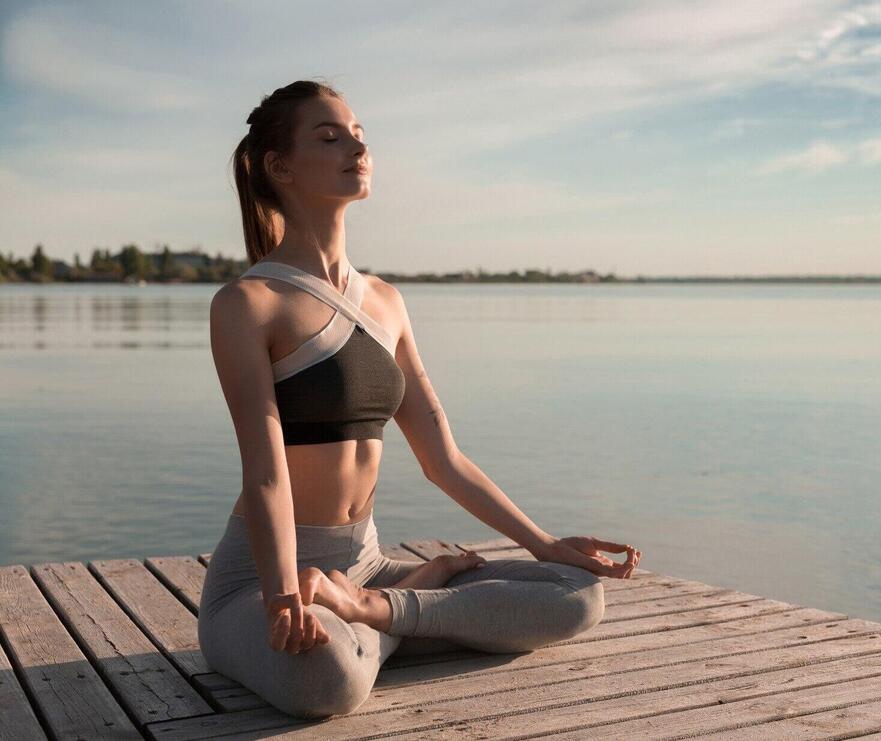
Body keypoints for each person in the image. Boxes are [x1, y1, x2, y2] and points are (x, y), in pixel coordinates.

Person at [197, 79, 641, 720]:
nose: (357, 147)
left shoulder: (387, 302)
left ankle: (378, 609)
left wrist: (543, 544)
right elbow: (266, 476)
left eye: (359, 135)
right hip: (266, 580)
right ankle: (410, 602)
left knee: (577, 594)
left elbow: (444, 459)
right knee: (327, 684)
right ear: (279, 166)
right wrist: (281, 596)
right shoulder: (247, 305)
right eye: (330, 137)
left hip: (366, 565)